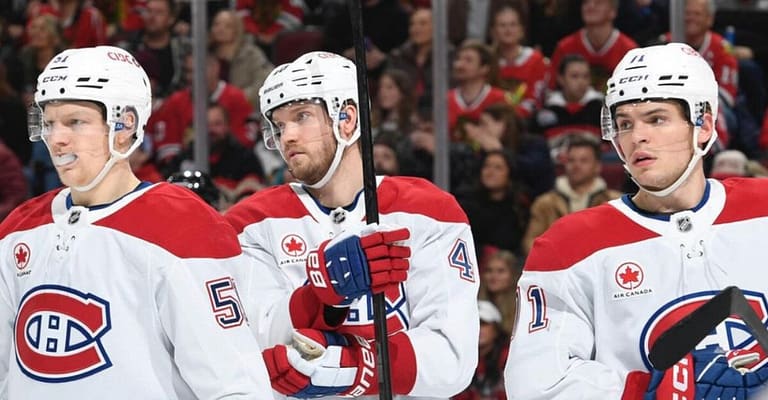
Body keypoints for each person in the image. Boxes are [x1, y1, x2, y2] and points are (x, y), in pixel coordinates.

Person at [0, 45, 272, 398]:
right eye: (49, 123)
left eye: (75, 122)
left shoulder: (183, 227)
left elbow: (234, 385)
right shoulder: (19, 228)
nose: (57, 138)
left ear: (125, 124)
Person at [505, 41, 768, 399]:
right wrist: (646, 391)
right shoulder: (569, 245)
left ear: (703, 124)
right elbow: (535, 381)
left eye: (656, 118)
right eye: (625, 123)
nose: (637, 136)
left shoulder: (762, 210)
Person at [225, 51, 480, 399]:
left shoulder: (429, 212)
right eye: (280, 125)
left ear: (347, 118)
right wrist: (316, 297)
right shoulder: (251, 222)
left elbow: (454, 358)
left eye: (302, 117)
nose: (288, 137)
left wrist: (359, 367)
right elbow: (254, 337)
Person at [521, 133, 620, 254]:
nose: (576, 165)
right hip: (557, 268)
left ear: (597, 166)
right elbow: (530, 243)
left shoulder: (615, 202)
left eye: (584, 161)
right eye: (571, 160)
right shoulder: (545, 203)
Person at [452, 300, 509, 400]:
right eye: (474, 323)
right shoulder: (458, 357)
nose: (478, 328)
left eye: (483, 323)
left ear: (496, 329)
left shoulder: (508, 357)